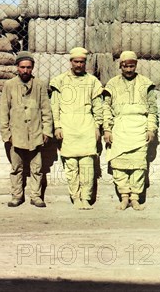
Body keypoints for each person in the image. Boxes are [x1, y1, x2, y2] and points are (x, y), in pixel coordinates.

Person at [103, 51, 159, 211]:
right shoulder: (112, 84)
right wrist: (107, 129)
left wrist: (151, 129)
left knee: (139, 166)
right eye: (125, 66)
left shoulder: (146, 84)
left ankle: (135, 198)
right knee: (119, 166)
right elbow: (106, 108)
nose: (128, 69)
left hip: (139, 128)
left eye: (131, 66)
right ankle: (124, 197)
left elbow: (153, 111)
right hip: (119, 129)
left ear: (136, 65)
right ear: (120, 65)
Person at [50, 47, 103, 210]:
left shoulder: (92, 82)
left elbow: (98, 107)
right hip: (67, 128)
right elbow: (55, 106)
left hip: (86, 127)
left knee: (87, 166)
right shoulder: (60, 81)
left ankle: (86, 198)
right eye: (76, 62)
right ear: (71, 62)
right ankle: (76, 197)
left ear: (85, 63)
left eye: (82, 62)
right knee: (71, 166)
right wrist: (57, 126)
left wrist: (97, 126)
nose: (79, 65)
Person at [0, 51, 53, 208]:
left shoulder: (40, 85)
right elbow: (4, 112)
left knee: (37, 168)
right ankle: (17, 196)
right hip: (16, 134)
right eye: (22, 67)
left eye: (28, 67)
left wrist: (46, 131)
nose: (25, 71)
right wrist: (6, 134)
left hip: (35, 133)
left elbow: (46, 110)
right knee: (16, 168)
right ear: (17, 67)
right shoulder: (9, 86)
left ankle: (36, 196)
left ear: (33, 68)